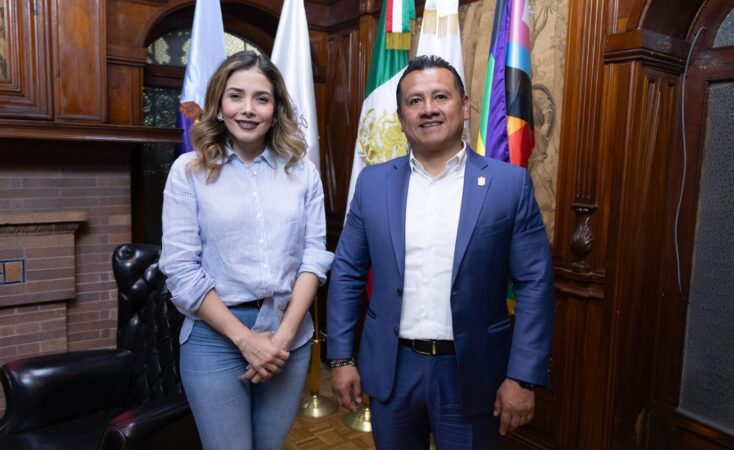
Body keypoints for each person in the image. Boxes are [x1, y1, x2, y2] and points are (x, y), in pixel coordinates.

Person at [327, 55, 554, 449]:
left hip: (473, 371)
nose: (428, 109)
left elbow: (535, 284)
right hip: (393, 369)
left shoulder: (508, 185)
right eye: (415, 101)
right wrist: (341, 358)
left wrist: (522, 376)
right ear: (401, 117)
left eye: (440, 97)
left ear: (464, 107)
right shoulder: (373, 184)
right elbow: (347, 272)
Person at [160, 51, 333, 450]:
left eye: (262, 98)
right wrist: (245, 339)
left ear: (276, 108)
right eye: (236, 96)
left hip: (288, 335)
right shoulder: (188, 171)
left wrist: (282, 338)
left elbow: (313, 258)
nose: (249, 109)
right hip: (215, 338)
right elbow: (181, 270)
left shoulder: (303, 172)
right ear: (219, 104)